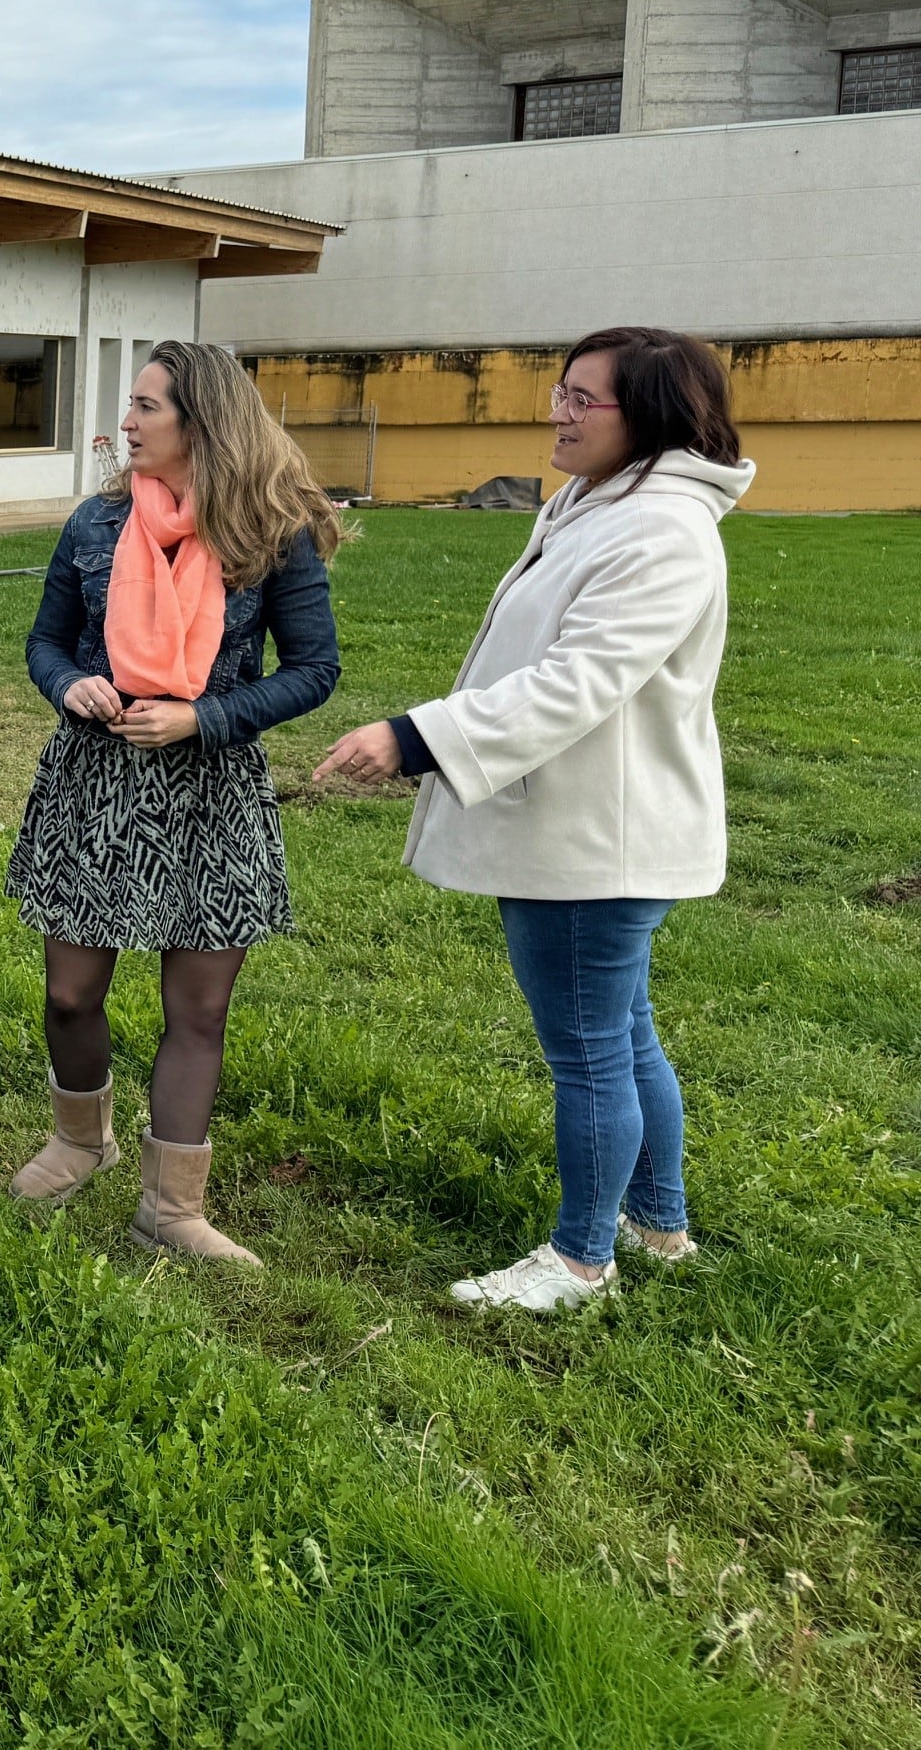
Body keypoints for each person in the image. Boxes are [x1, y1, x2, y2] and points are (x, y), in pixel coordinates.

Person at [314, 327, 752, 1314]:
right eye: (561, 392)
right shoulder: (600, 502)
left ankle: (582, 1262)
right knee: (625, 1035)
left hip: (597, 843)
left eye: (583, 399)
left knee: (594, 1051)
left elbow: (577, 683)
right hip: (590, 830)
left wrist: (414, 737)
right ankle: (658, 1226)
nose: (560, 412)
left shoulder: (661, 530)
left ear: (649, 417)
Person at [5, 341, 344, 1264]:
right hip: (96, 783)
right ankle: (81, 1140)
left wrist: (205, 717)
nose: (128, 422)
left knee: (197, 1010)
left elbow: (315, 671)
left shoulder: (271, 532)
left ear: (201, 421)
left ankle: (172, 1205)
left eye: (147, 407)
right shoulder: (93, 524)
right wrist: (69, 684)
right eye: (132, 404)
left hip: (213, 789)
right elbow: (46, 643)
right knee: (72, 994)